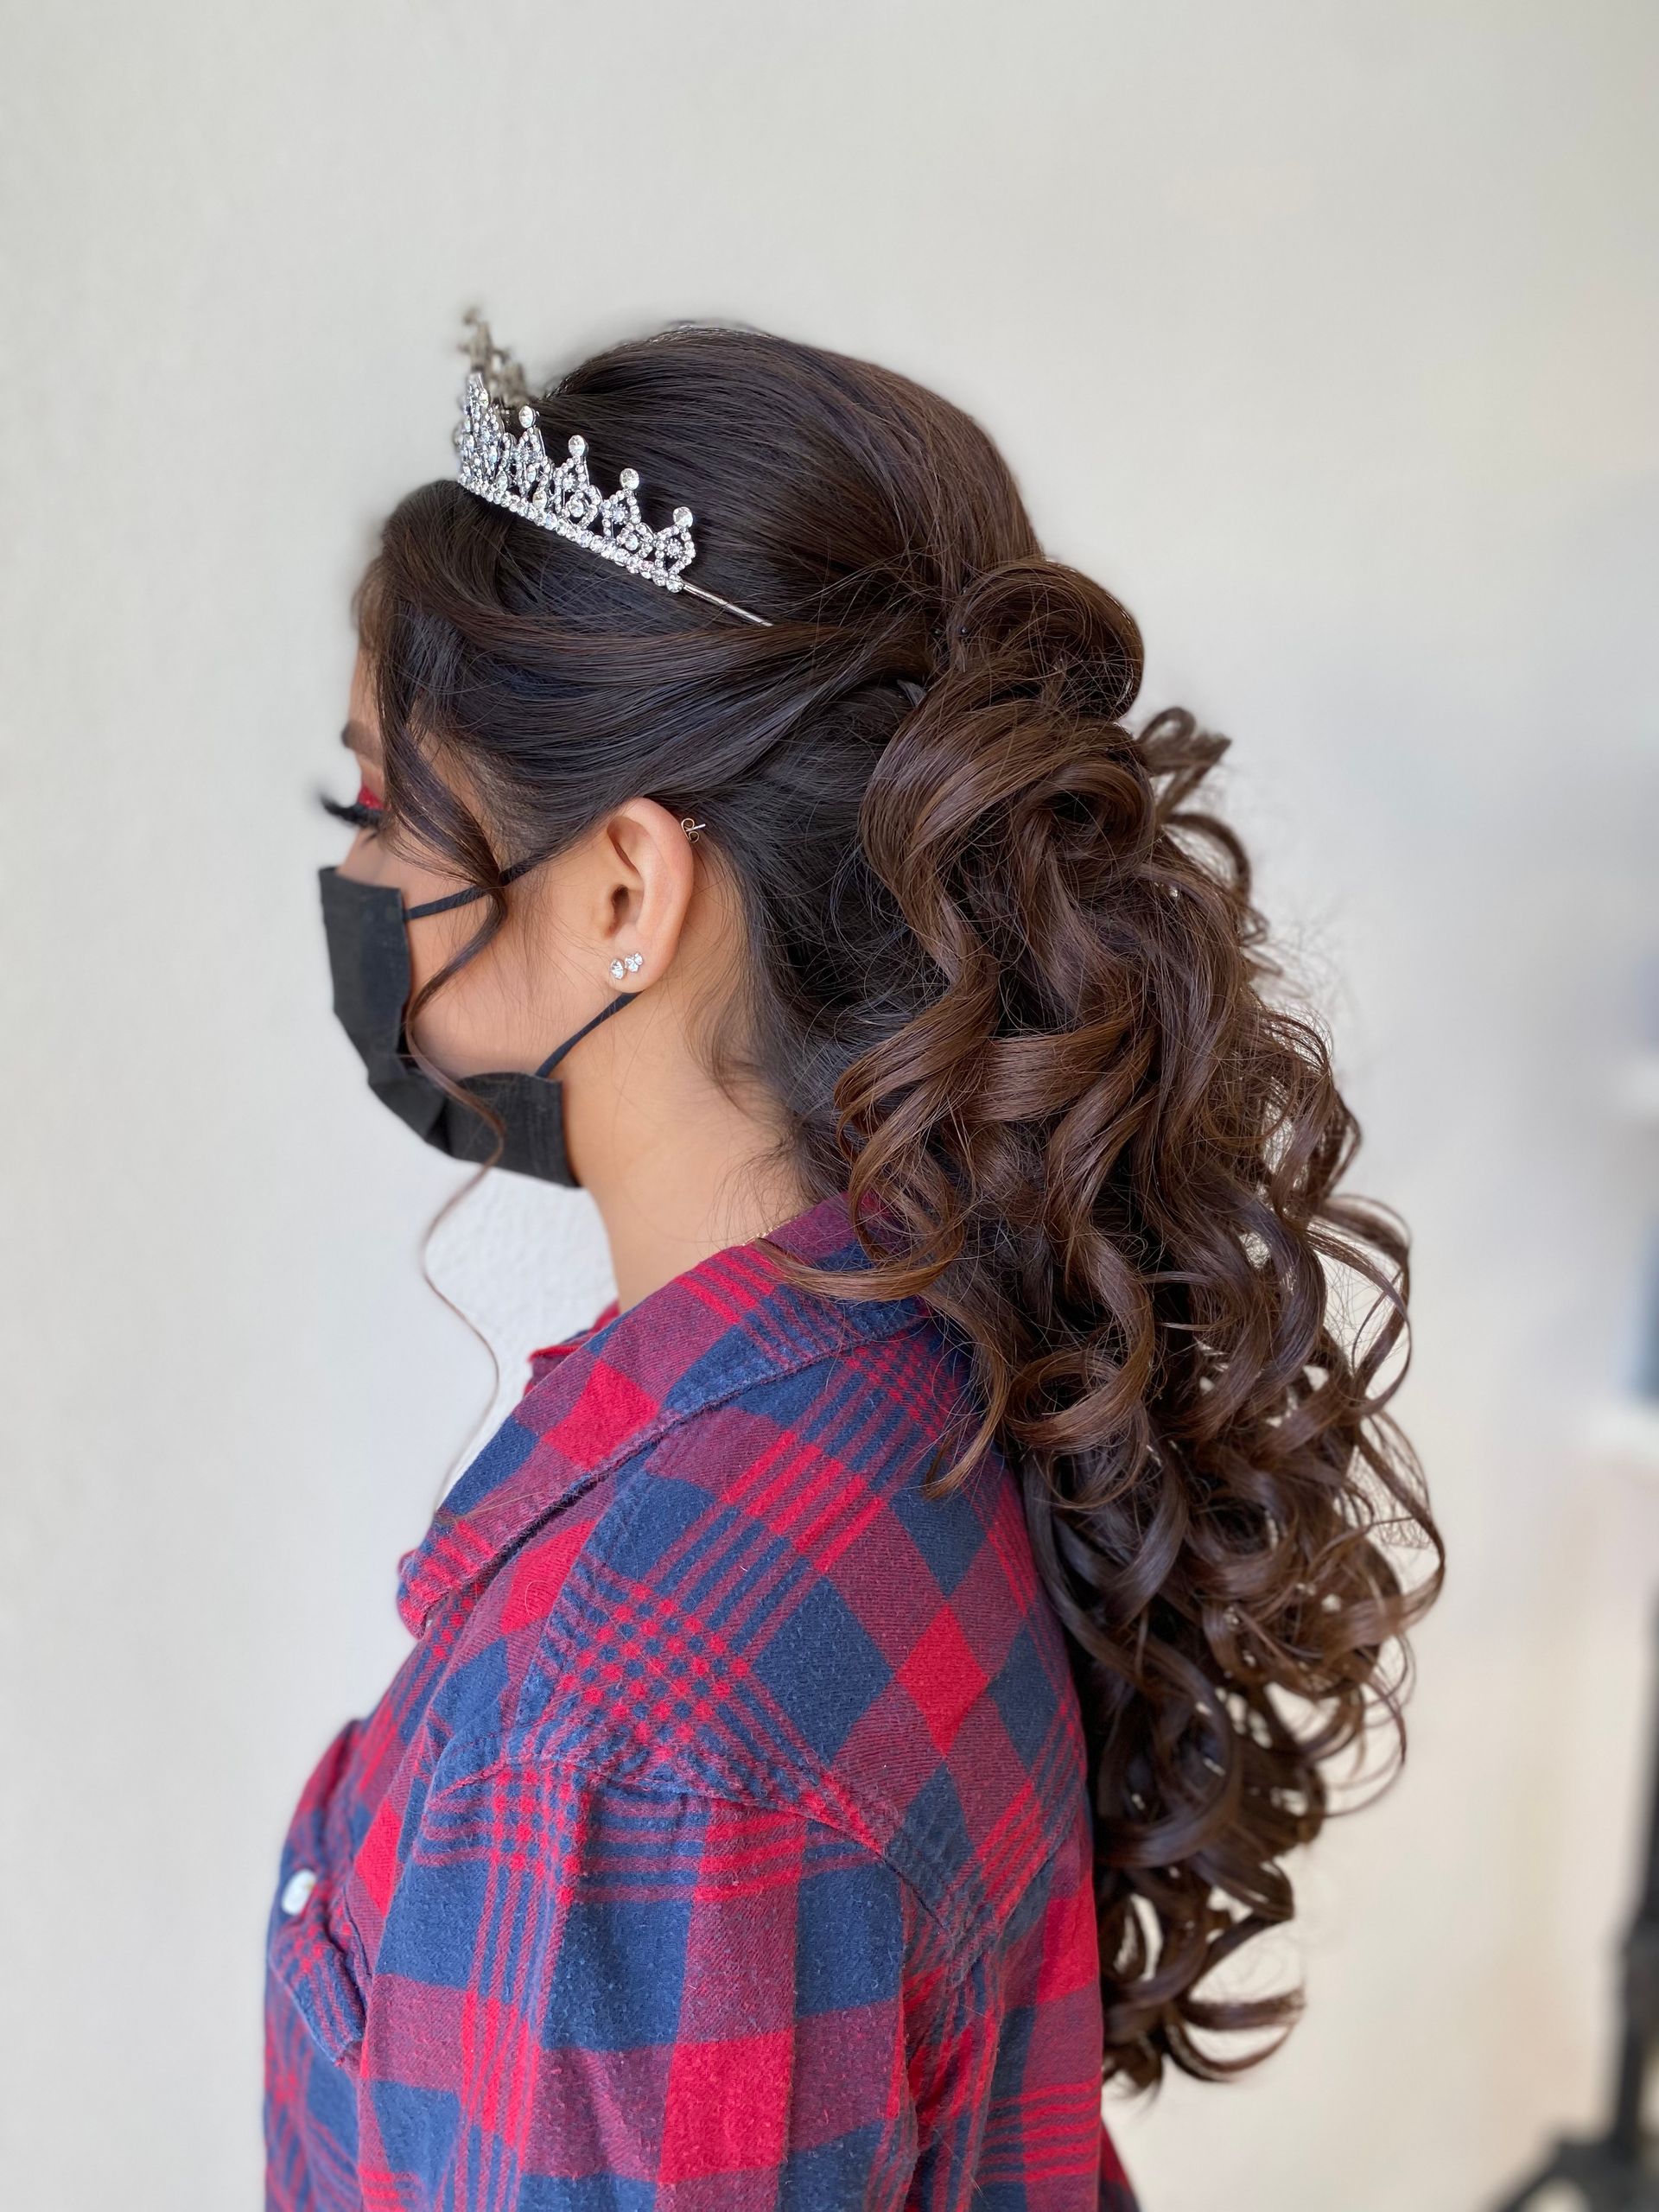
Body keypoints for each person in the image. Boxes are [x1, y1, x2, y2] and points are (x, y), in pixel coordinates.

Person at [264, 316, 1441, 2210]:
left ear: (624, 891)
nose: (367, 887)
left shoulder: (623, 1748)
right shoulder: (931, 1354)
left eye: (383, 805)